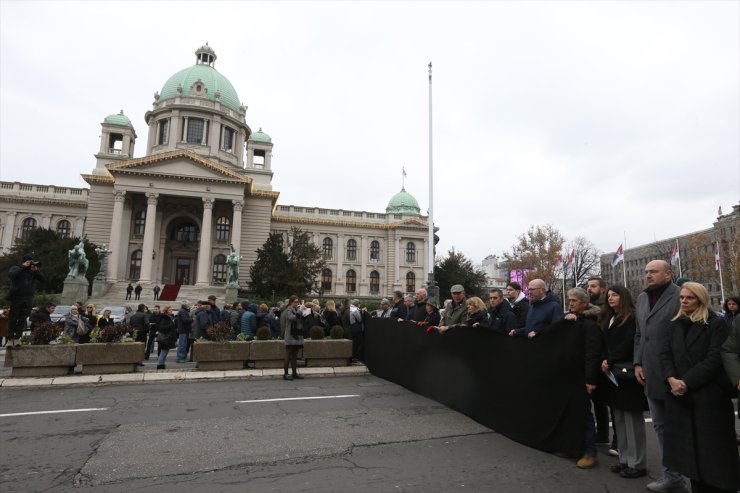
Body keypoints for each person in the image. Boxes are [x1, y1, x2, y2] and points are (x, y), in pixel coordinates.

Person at [660, 282, 740, 493]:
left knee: (715, 458)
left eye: (689, 298)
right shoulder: (675, 323)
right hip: (681, 397)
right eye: (682, 297)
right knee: (691, 459)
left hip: (709, 397)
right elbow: (665, 354)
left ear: (701, 299)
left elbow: (714, 358)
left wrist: (686, 382)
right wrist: (670, 379)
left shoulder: (716, 323)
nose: (684, 301)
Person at [632, 260, 685, 493]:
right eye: (646, 272)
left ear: (668, 274)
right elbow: (639, 334)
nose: (648, 275)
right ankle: (673, 478)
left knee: (683, 429)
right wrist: (637, 362)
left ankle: (698, 477)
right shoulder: (643, 298)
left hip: (676, 373)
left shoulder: (681, 296)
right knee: (661, 427)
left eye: (653, 272)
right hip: (650, 372)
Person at [599, 285, 648, 479]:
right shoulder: (610, 318)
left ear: (624, 297)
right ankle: (625, 459)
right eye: (609, 295)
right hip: (612, 373)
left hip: (627, 373)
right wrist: (605, 360)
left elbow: (629, 343)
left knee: (632, 420)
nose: (610, 298)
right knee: (618, 418)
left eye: (615, 295)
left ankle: (638, 463)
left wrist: (610, 360)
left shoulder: (632, 317)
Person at [559, 287, 603, 470]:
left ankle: (590, 452)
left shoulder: (590, 324)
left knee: (585, 414)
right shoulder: (575, 320)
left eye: (574, 301)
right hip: (570, 374)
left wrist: (590, 379)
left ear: (584, 303)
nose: (570, 304)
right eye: (569, 301)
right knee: (572, 412)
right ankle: (574, 447)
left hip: (583, 376)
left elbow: (592, 353)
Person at [7, 254, 45, 347]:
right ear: (24, 261)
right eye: (29, 261)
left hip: (28, 298)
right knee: (13, 318)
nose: (31, 263)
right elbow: (12, 275)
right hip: (17, 297)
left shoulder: (33, 271)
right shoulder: (16, 268)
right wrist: (23, 267)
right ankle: (10, 338)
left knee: (22, 319)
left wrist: (37, 271)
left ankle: (17, 338)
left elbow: (43, 280)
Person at [281, 295, 305, 380]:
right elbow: (292, 318)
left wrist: (303, 312)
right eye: (295, 302)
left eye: (297, 302)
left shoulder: (297, 310)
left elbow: (300, 319)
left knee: (295, 355)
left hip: (297, 335)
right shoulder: (288, 310)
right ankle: (286, 374)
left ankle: (294, 373)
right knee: (288, 355)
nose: (297, 303)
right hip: (290, 335)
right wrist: (300, 311)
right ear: (291, 302)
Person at [155, 305, 176, 369]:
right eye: (169, 310)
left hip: (167, 337)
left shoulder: (169, 317)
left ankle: (162, 364)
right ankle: (160, 365)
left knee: (165, 351)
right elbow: (162, 327)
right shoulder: (165, 318)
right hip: (165, 337)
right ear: (166, 311)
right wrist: (170, 325)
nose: (171, 311)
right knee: (163, 351)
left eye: (171, 309)